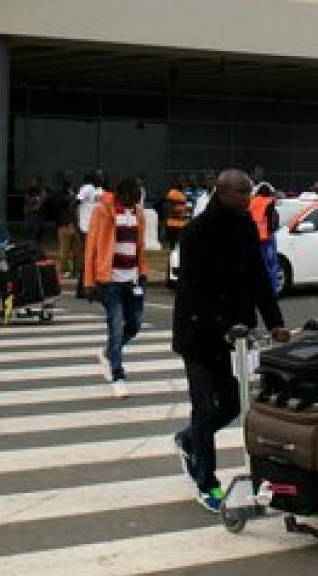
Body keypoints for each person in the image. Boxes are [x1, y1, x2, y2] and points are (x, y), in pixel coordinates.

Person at [171, 168, 288, 514]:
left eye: (248, 193)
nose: (247, 199)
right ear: (221, 193)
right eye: (241, 193)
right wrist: (223, 325)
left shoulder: (246, 226)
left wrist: (276, 322)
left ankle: (190, 439)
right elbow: (195, 291)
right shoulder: (196, 234)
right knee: (205, 407)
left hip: (232, 336)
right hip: (198, 335)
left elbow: (258, 280)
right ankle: (206, 482)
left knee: (234, 405)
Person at [85, 176, 148, 398]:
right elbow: (91, 246)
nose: (139, 197)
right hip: (110, 279)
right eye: (136, 193)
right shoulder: (102, 211)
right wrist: (89, 281)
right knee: (116, 326)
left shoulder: (138, 214)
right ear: (124, 193)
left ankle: (108, 353)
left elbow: (139, 247)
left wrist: (143, 273)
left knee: (135, 324)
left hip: (133, 279)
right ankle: (118, 376)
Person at [248, 182, 283, 294]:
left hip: (255, 237)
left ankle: (259, 290)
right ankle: (273, 290)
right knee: (272, 265)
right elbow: (273, 221)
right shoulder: (270, 201)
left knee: (258, 266)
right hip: (267, 237)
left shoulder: (251, 203)